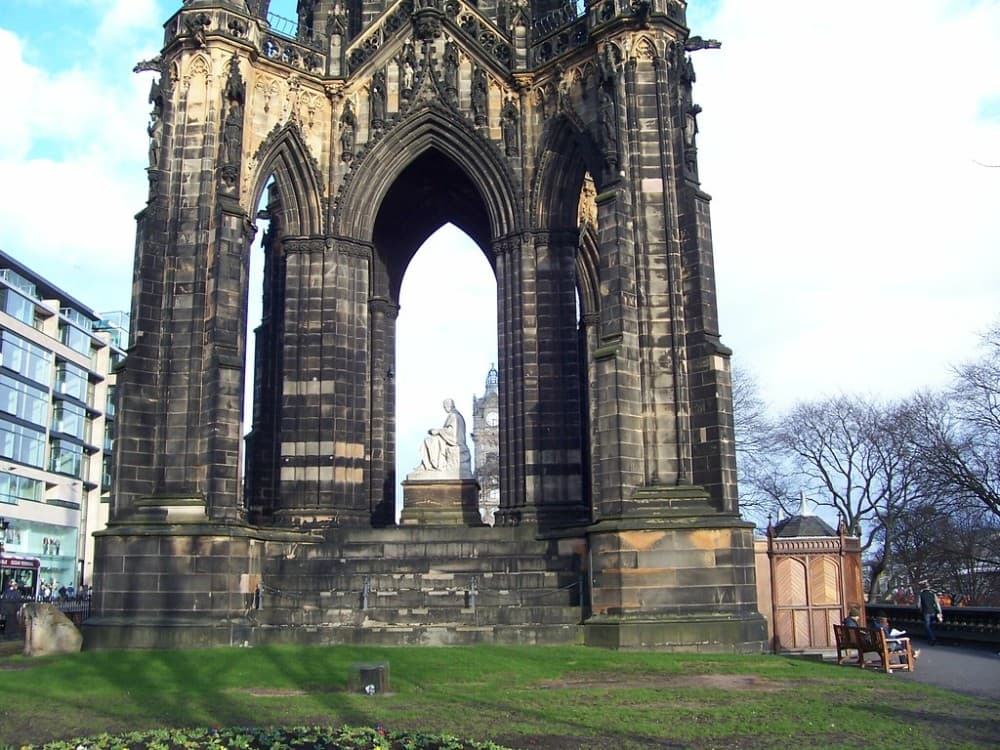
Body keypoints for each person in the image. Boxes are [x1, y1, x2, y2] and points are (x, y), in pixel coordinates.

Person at [417, 398, 467, 472]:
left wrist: (438, 431)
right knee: (430, 440)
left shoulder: (454, 416)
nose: (444, 408)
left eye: (444, 406)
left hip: (454, 441)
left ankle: (433, 465)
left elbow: (452, 432)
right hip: (448, 439)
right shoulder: (453, 415)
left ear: (448, 406)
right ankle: (426, 464)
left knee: (430, 441)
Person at [919, 581, 943, 645]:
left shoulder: (921, 594)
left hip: (926, 612)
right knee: (931, 626)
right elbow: (937, 603)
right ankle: (932, 637)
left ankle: (932, 638)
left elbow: (919, 605)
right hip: (933, 611)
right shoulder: (933, 594)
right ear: (928, 587)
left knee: (927, 626)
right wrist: (940, 612)